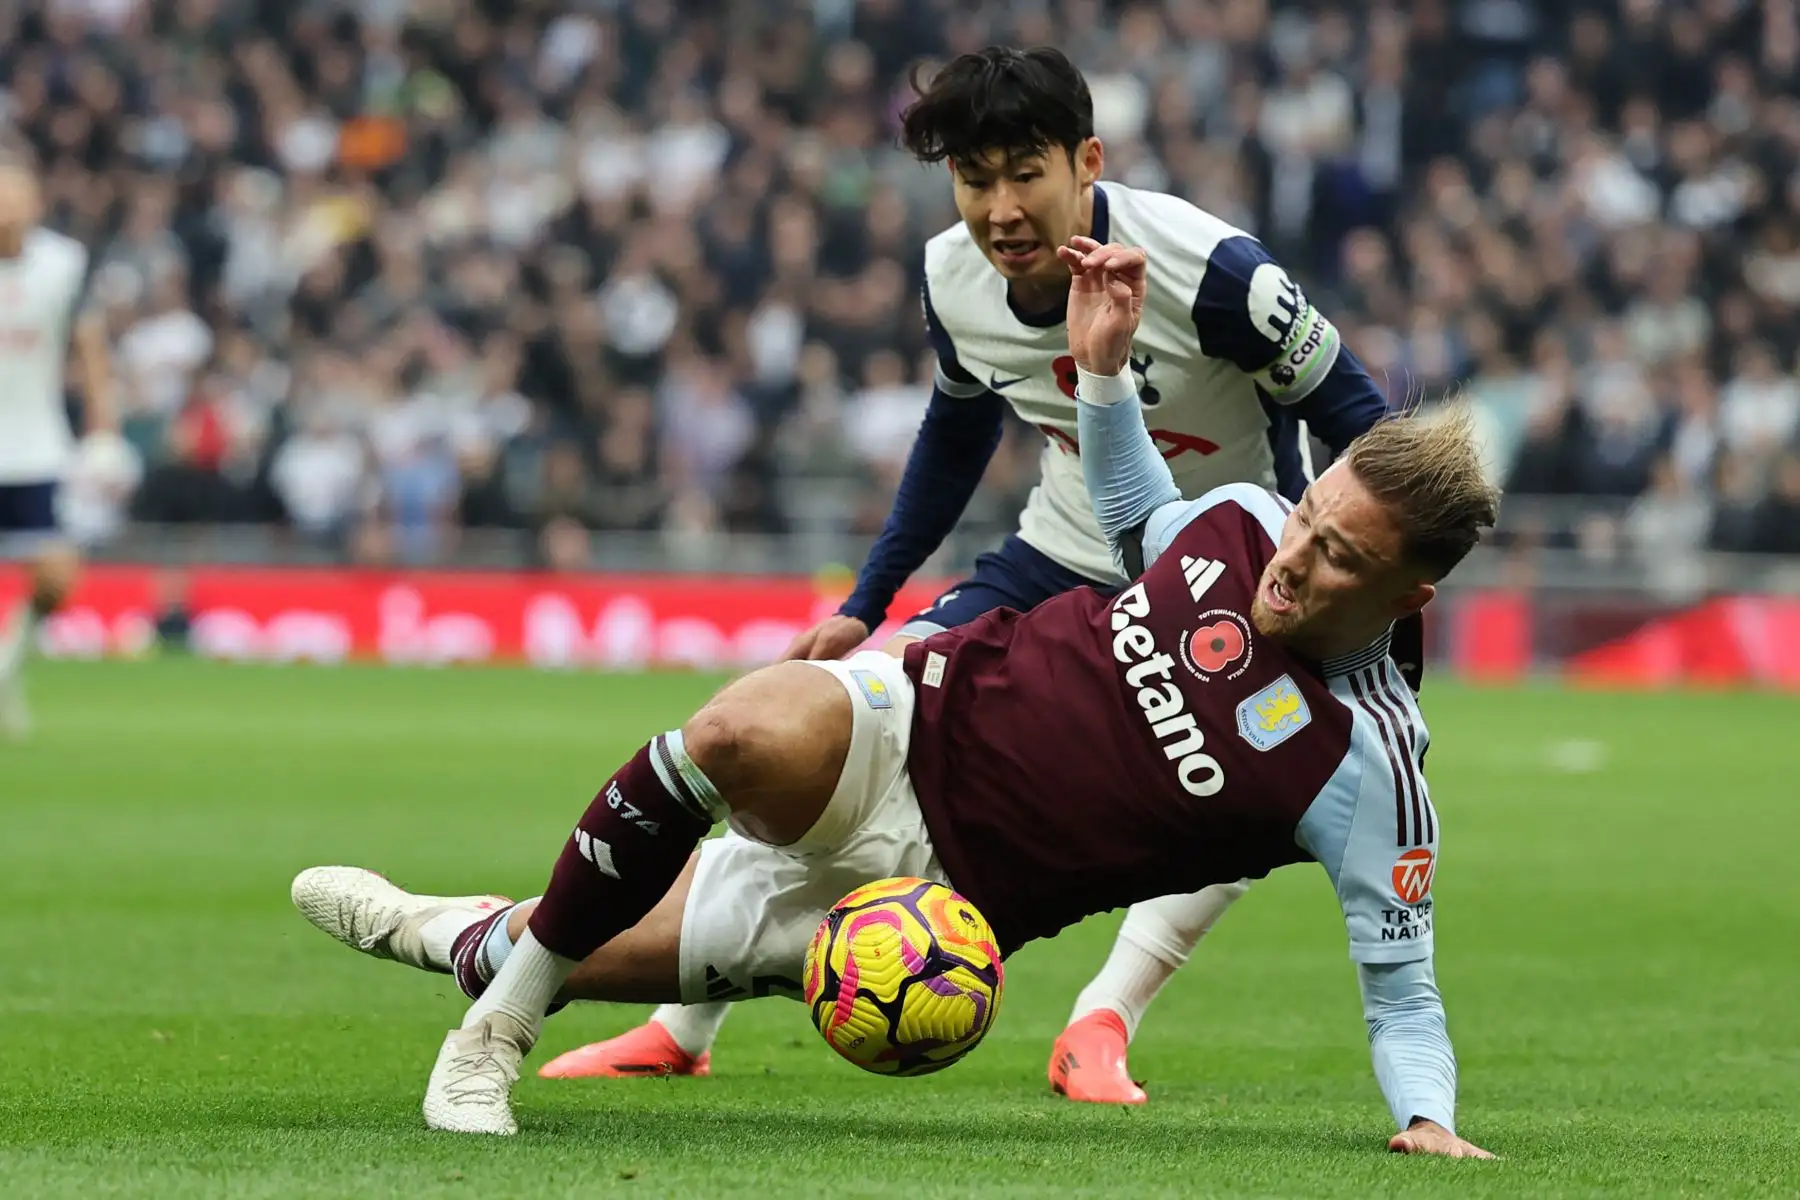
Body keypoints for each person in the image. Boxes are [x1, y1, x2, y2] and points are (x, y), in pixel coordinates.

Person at [292, 233, 1498, 1158]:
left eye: (1340, 558)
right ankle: (489, 1041)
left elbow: (1404, 991)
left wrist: (1427, 1122)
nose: (1294, 558)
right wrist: (1106, 373)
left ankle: (444, 936)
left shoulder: (1370, 771)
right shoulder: (1241, 523)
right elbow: (1138, 518)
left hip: (931, 910)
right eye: (1311, 517)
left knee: (564, 947)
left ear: (1411, 598)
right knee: (738, 728)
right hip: (915, 717)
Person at [543, 44, 1405, 1103]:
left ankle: (1104, 1019)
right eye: (972, 177)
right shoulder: (952, 275)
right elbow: (953, 438)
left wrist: (1358, 604)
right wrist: (865, 605)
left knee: (1236, 798)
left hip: (1217, 587)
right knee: (827, 733)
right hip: (1055, 554)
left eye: (1024, 172)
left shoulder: (1214, 271)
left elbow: (1364, 425)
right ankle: (684, 1023)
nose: (999, 207)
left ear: (1087, 161)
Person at [0, 159, 121, 738]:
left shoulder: (63, 265)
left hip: (32, 443)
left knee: (55, 578)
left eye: (15, 194)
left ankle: (5, 670)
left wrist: (104, 431)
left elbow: (90, 350)